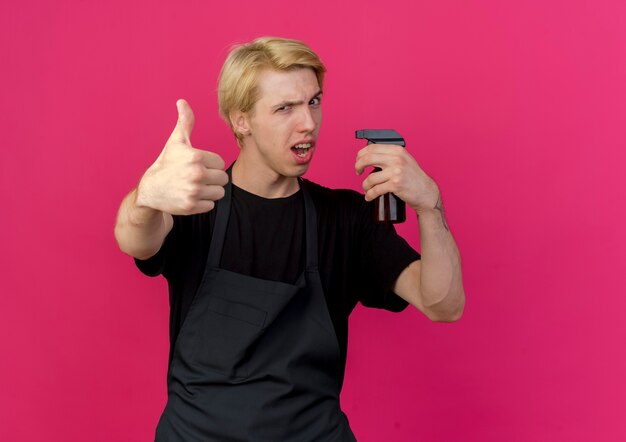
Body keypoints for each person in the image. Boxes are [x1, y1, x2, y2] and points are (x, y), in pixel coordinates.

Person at [114, 36, 465, 442]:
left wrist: (429, 206)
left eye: (313, 102)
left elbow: (444, 304)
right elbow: (135, 240)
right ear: (241, 119)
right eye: (285, 108)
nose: (309, 124)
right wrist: (147, 197)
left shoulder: (346, 218)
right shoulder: (195, 200)